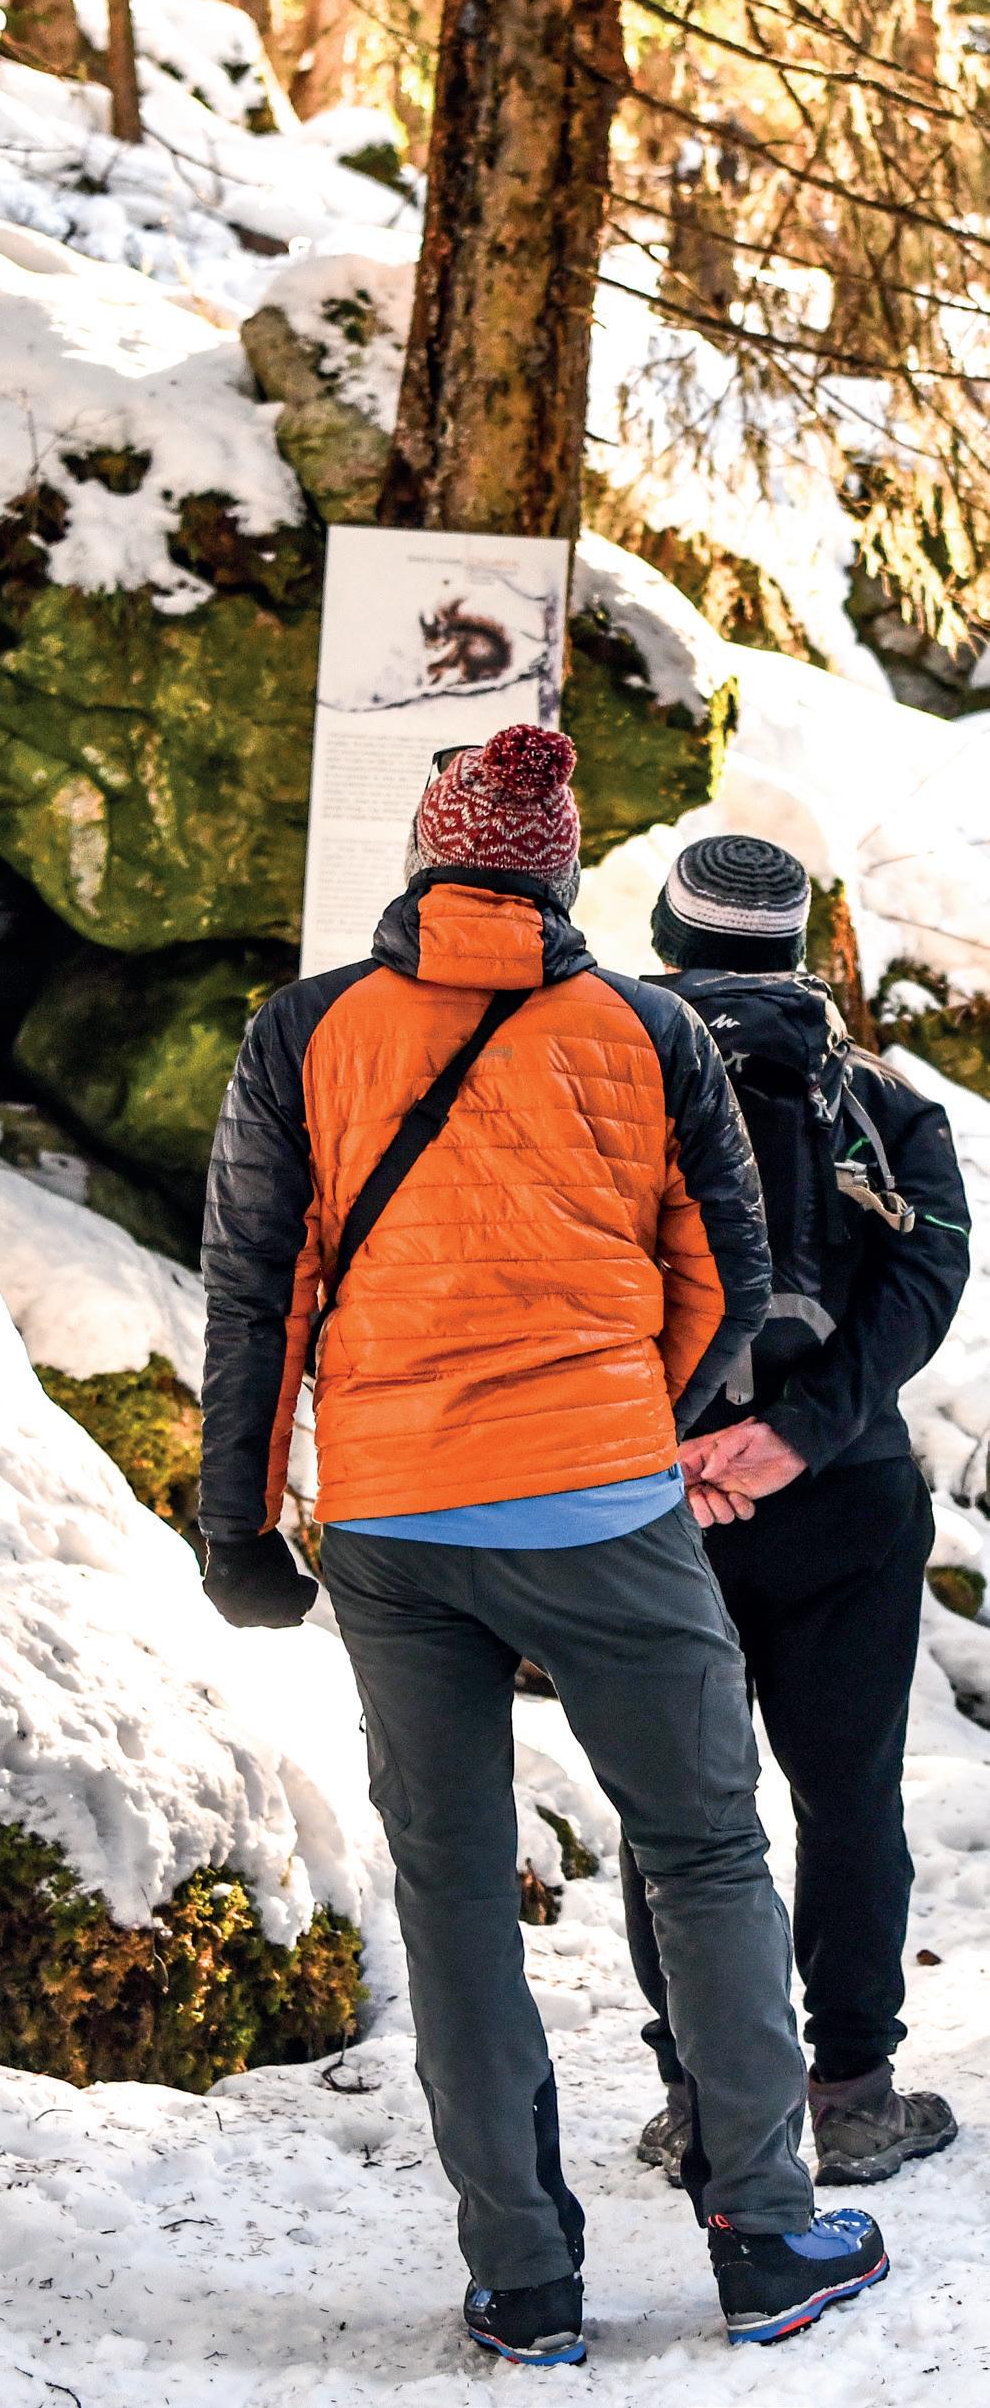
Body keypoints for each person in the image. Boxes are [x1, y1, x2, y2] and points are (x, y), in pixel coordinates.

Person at [198, 725, 889, 2366]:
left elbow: (255, 1289)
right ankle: (766, 2235)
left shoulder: (304, 1030)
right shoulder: (647, 1029)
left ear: (423, 861)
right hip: (599, 1501)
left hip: (392, 1517)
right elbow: (723, 1274)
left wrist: (239, 1518)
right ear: (563, 873)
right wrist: (630, 1422)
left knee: (450, 1890)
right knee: (705, 1852)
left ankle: (521, 2278)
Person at [625, 835, 971, 2195]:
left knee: (675, 1809)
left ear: (665, 937)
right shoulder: (882, 1102)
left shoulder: (603, 1080)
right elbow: (924, 1281)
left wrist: (675, 1441)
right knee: (847, 1797)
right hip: (845, 1499)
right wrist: (800, 1432)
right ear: (804, 945)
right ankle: (852, 2095)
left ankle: (701, 2098)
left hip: (657, 1497)